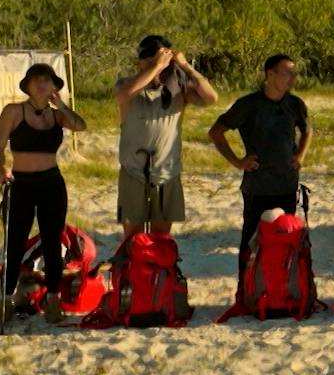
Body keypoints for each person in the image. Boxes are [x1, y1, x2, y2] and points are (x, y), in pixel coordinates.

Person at [0, 62, 87, 324]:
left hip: (51, 183)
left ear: (54, 86)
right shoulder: (14, 111)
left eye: (47, 80)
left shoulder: (57, 116)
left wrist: (62, 105)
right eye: (36, 80)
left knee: (52, 242)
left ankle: (53, 298)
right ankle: (6, 300)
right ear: (28, 85)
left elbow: (81, 126)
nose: (42, 84)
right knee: (14, 242)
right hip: (21, 183)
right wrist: (2, 168)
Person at [209, 54, 311, 279]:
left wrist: (300, 155)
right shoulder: (249, 104)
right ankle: (247, 290)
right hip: (258, 186)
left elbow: (307, 130)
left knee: (286, 237)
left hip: (287, 184)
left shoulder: (295, 103)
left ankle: (281, 286)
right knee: (252, 241)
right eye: (287, 73)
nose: (292, 78)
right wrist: (237, 161)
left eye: (294, 73)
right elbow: (216, 132)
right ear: (270, 75)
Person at [114, 35, 219, 242]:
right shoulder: (126, 84)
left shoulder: (177, 90)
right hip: (132, 172)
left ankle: (158, 274)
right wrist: (156, 66)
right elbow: (123, 95)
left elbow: (211, 98)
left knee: (161, 239)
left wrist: (185, 66)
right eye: (151, 61)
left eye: (163, 62)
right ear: (139, 63)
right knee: (132, 239)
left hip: (166, 173)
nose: (160, 67)